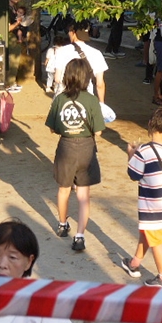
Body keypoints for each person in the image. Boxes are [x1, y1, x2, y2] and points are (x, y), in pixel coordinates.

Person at [118, 107, 162, 287]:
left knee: (155, 237)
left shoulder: (144, 150)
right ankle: (134, 264)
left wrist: (131, 154)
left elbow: (134, 174)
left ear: (150, 124)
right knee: (148, 231)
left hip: (151, 201)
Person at [44, 59, 105, 253]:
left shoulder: (60, 99)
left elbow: (52, 128)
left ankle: (62, 224)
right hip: (86, 148)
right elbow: (99, 132)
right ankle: (79, 236)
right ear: (87, 77)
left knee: (63, 189)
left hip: (66, 147)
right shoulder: (92, 100)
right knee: (83, 195)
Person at [46, 21, 109, 104]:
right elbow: (99, 84)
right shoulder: (96, 53)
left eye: (69, 31)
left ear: (73, 33)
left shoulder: (61, 51)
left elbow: (57, 79)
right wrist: (102, 103)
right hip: (86, 99)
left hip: (64, 97)